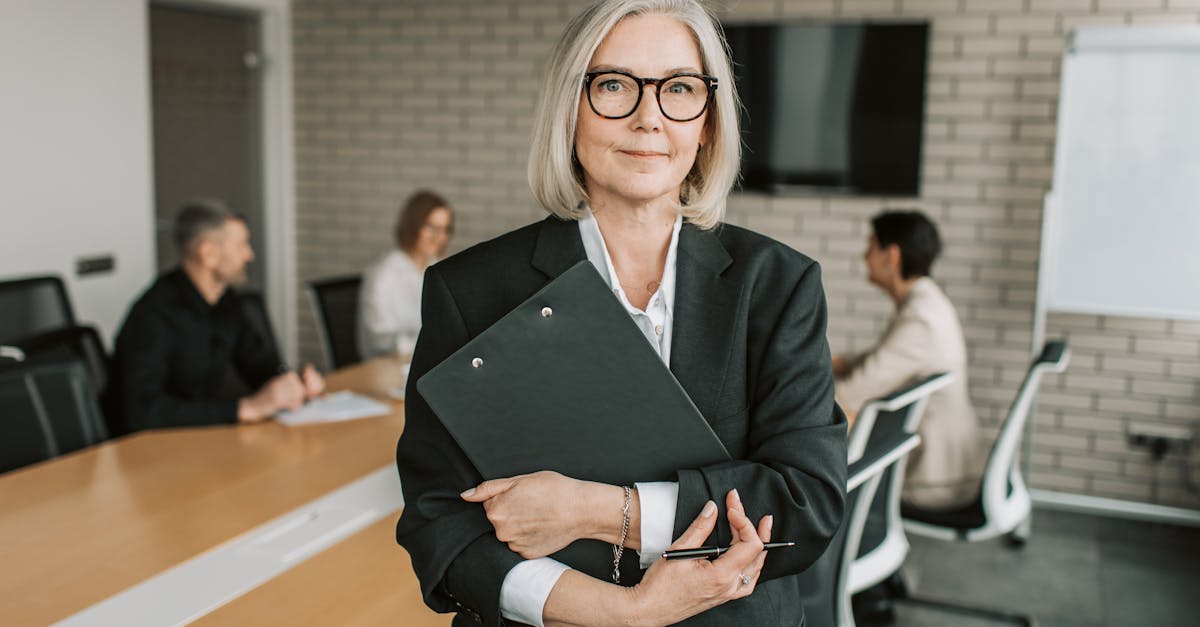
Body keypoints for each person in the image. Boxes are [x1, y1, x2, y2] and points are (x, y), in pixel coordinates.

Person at [395, 2, 846, 625]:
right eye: (613, 85)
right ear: (568, 109)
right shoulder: (467, 289)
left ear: (707, 124)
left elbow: (806, 505)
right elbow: (439, 520)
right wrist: (626, 612)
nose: (647, 118)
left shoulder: (779, 285)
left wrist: (593, 509)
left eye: (680, 89)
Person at [109, 200, 324, 433]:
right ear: (208, 253)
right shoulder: (153, 314)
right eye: (241, 245)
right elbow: (144, 412)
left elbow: (258, 362)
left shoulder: (225, 301)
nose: (249, 255)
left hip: (199, 440)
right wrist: (244, 408)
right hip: (146, 453)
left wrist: (294, 381)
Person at [832, 209, 984, 510]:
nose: (865, 257)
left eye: (871, 246)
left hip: (936, 481)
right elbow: (876, 360)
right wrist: (832, 360)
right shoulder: (925, 303)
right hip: (943, 468)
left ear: (892, 256)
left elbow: (851, 392)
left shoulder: (920, 318)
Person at [357, 190, 454, 359]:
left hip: (425, 360)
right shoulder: (383, 275)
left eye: (445, 229)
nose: (439, 237)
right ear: (413, 226)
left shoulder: (438, 268)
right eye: (432, 227)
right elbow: (380, 340)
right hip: (387, 367)